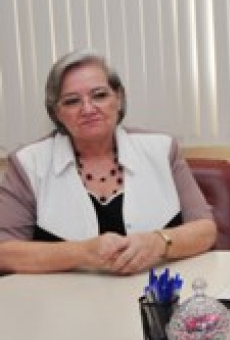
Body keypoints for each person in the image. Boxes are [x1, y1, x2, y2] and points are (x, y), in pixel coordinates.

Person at [0, 48, 217, 274]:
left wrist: (159, 242)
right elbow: (3, 252)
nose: (88, 109)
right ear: (57, 113)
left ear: (119, 98)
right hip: (63, 302)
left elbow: (205, 230)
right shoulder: (28, 163)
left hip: (158, 296)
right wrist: (82, 252)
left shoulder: (162, 149)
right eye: (72, 101)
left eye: (100, 95)